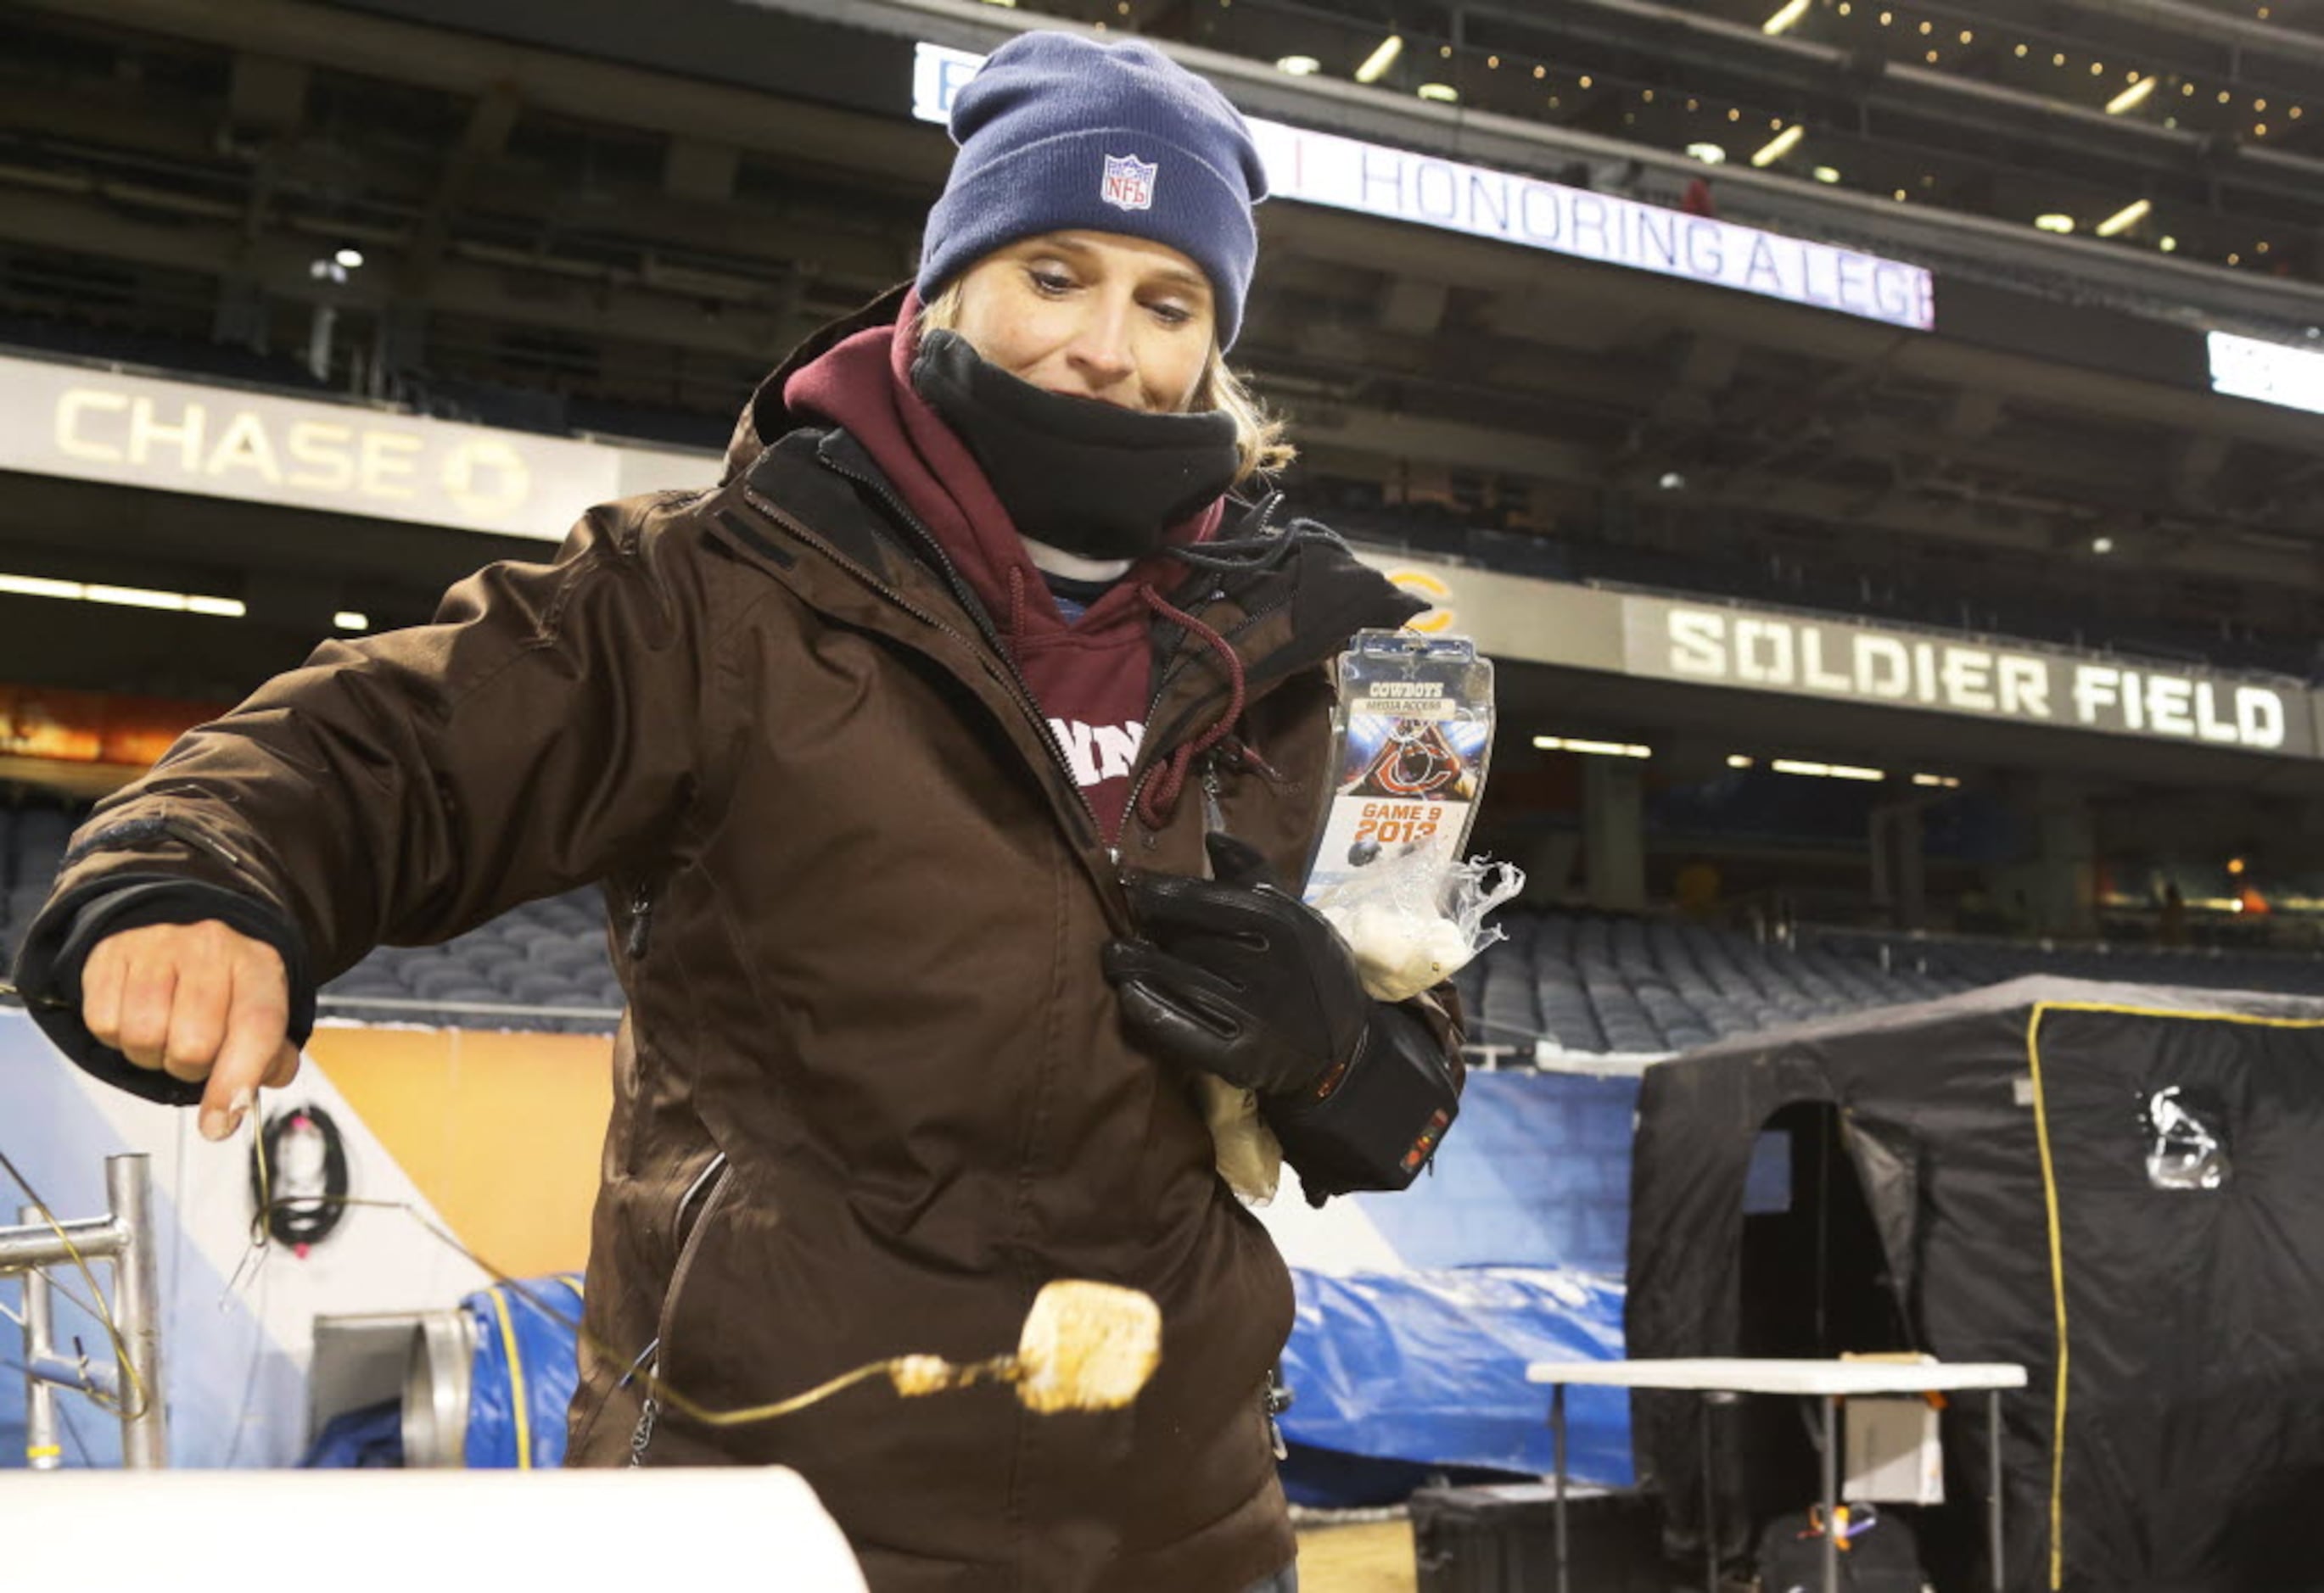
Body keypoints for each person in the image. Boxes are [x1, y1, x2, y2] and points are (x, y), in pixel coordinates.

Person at [15, 31, 1466, 1593]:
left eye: (1165, 301)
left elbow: (1407, 1102)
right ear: (954, 280)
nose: (1106, 346)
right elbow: (394, 741)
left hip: (1184, 1538)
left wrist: (1330, 1049)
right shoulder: (709, 590)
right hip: (761, 1522)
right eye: (1055, 273)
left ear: (1214, 348)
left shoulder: (1335, 669)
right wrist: (195, 871)